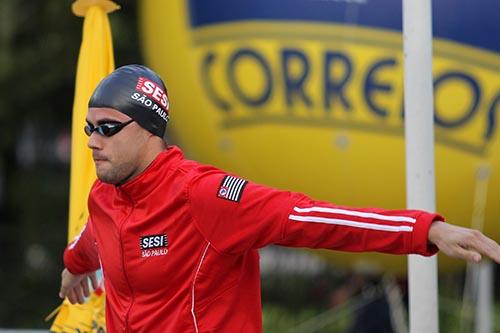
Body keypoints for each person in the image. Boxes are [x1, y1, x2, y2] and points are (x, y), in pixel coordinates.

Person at [59, 64, 500, 333]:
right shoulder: (106, 196)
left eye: (108, 128)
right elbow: (93, 239)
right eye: (89, 129)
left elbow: (311, 218)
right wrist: (73, 267)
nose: (94, 142)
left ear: (149, 130)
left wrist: (426, 229)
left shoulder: (204, 195)